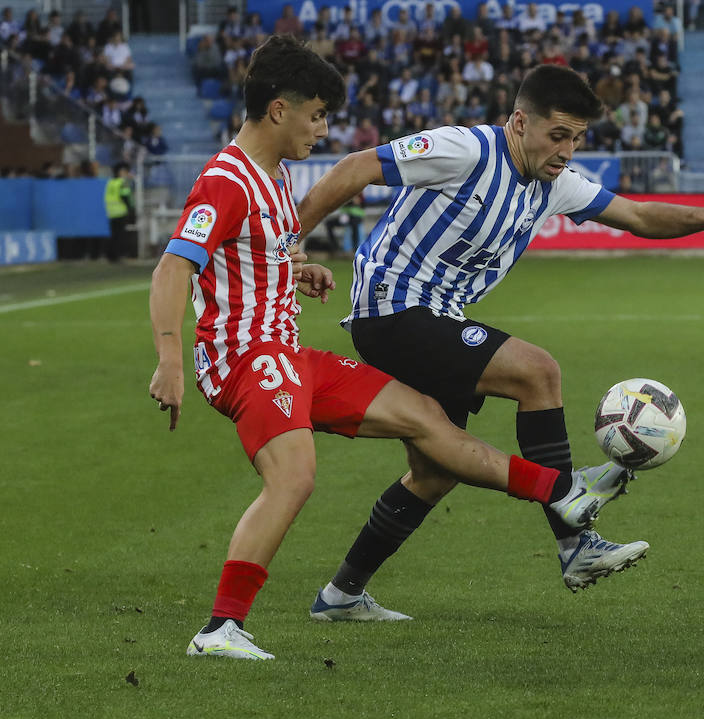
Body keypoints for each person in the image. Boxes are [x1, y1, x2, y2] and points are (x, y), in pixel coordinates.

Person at [148, 37, 625, 661]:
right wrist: (169, 358)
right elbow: (173, 268)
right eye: (317, 115)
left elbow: (245, 263)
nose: (324, 130)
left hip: (289, 355)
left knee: (428, 422)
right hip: (245, 360)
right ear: (278, 111)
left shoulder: (274, 176)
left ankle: (560, 491)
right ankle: (219, 629)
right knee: (293, 479)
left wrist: (299, 271)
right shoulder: (227, 179)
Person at [294, 64, 704, 616]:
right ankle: (573, 531)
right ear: (520, 122)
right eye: (558, 135)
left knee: (435, 472)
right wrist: (289, 243)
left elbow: (636, 214)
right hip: (392, 309)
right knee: (536, 371)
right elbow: (357, 166)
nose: (568, 150)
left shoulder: (555, 183)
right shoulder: (465, 149)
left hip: (436, 316)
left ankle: (341, 595)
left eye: (578, 138)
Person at [103, 161, 135, 262]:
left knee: (114, 235)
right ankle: (117, 256)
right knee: (120, 236)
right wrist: (131, 210)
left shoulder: (111, 182)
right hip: (121, 211)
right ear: (121, 172)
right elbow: (125, 196)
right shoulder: (122, 182)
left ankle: (110, 256)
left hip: (111, 212)